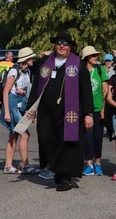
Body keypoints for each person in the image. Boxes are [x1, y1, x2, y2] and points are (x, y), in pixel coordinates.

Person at [26, 31, 94, 192]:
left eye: (65, 44)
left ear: (70, 46)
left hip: (71, 112)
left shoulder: (78, 65)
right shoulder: (46, 62)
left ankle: (65, 178)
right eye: (58, 43)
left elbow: (86, 91)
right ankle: (56, 167)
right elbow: (36, 86)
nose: (61, 46)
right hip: (46, 111)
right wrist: (32, 107)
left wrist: (88, 114)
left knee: (68, 143)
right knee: (45, 137)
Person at [1, 47, 37, 174]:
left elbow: (26, 88)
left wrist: (23, 91)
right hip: (12, 105)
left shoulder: (26, 71)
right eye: (31, 57)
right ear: (26, 59)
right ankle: (25, 166)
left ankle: (8, 166)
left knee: (14, 135)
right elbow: (6, 91)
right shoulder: (14, 71)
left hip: (20, 104)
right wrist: (6, 112)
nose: (33, 59)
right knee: (25, 134)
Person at [81, 46, 109, 176]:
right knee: (87, 138)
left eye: (96, 55)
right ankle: (88, 164)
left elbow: (105, 90)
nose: (96, 57)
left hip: (98, 109)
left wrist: (103, 108)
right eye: (93, 55)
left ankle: (98, 163)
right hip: (85, 110)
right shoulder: (81, 70)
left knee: (97, 137)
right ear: (87, 57)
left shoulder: (100, 69)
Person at [0, 51, 14, 119]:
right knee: (5, 97)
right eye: (12, 56)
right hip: (6, 82)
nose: (13, 58)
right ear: (9, 57)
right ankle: (5, 112)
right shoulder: (12, 65)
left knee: (0, 97)